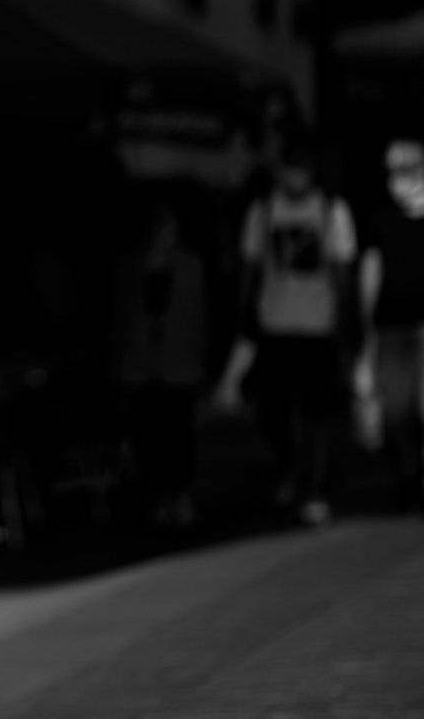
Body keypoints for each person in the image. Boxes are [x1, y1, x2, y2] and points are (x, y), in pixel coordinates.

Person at [215, 138, 357, 526]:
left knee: (316, 412)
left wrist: (344, 324)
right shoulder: (263, 211)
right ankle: (289, 467)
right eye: (289, 169)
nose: (294, 177)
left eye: (301, 169)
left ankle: (313, 486)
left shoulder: (331, 210)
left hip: (317, 325)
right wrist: (243, 314)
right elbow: (250, 266)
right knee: (273, 409)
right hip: (274, 323)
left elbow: (342, 270)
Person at [113, 205, 207, 530]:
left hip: (178, 363)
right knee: (149, 433)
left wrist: (198, 358)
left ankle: (181, 497)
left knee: (179, 432)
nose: (167, 236)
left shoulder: (190, 266)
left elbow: (199, 316)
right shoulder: (131, 265)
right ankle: (159, 499)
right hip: (141, 364)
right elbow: (123, 317)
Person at [355, 136, 424, 513]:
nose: (401, 180)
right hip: (392, 328)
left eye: (408, 171)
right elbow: (370, 275)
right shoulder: (382, 221)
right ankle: (407, 478)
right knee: (396, 411)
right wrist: (367, 334)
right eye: (394, 173)